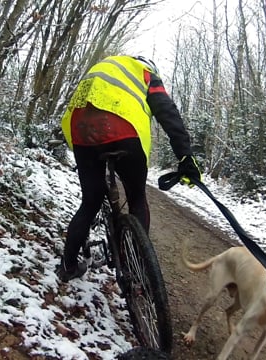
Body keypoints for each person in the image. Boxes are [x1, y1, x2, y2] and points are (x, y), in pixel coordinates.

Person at [55, 55, 202, 282]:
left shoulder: (103, 67)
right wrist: (185, 156)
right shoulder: (145, 72)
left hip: (82, 131)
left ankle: (68, 266)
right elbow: (167, 112)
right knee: (136, 196)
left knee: (91, 201)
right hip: (124, 131)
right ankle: (134, 265)